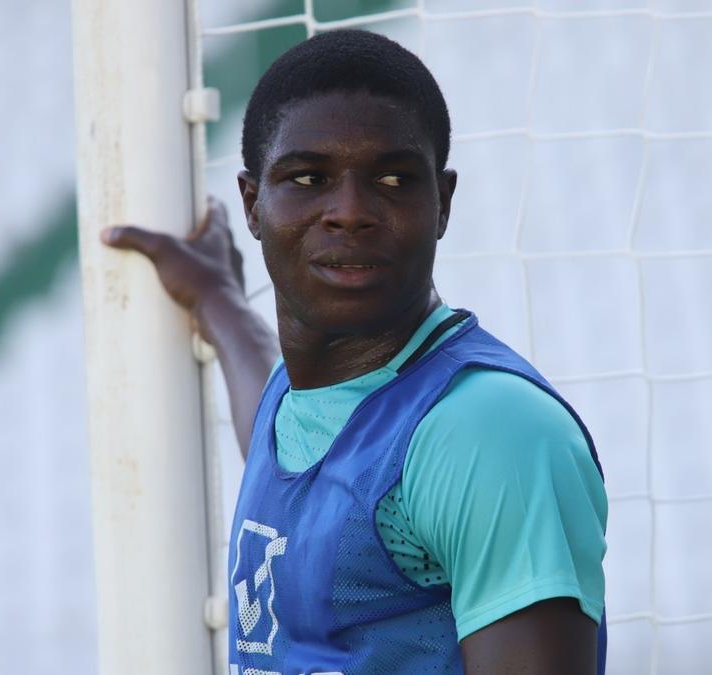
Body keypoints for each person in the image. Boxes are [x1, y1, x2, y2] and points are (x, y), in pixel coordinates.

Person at [102, 29, 608, 674]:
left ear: (442, 202)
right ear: (253, 205)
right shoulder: (302, 402)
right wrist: (219, 302)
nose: (349, 212)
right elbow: (279, 417)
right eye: (308, 178)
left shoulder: (487, 432)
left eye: (392, 179)